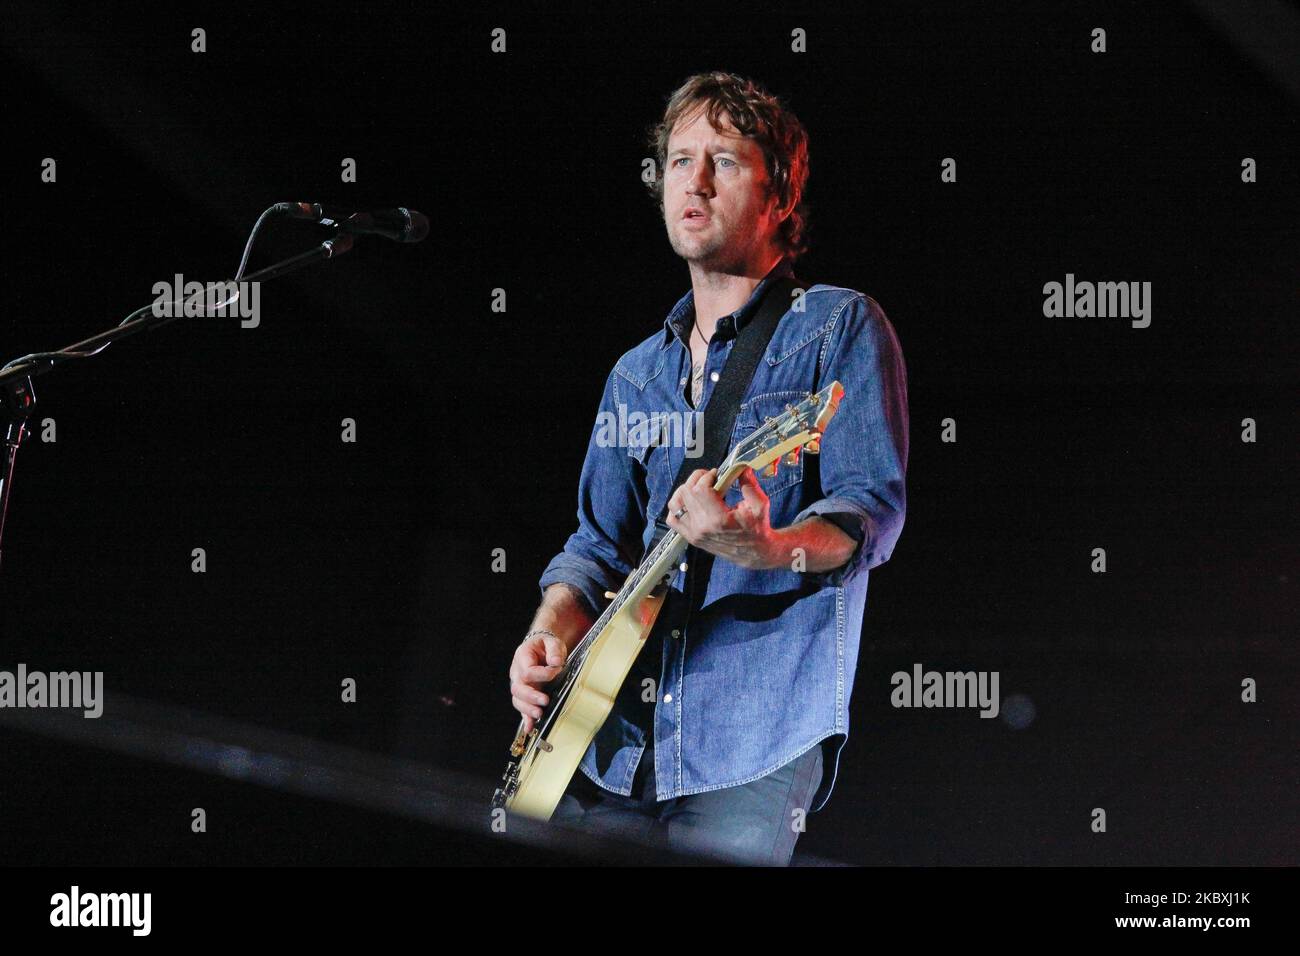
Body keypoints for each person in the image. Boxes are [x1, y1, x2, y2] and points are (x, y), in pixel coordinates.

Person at [508, 71, 909, 865]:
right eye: (679, 159)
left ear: (781, 195)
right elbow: (593, 549)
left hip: (752, 741)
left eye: (723, 159)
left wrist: (761, 545)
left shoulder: (837, 327)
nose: (692, 180)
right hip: (610, 743)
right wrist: (547, 633)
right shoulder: (635, 375)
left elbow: (870, 515)